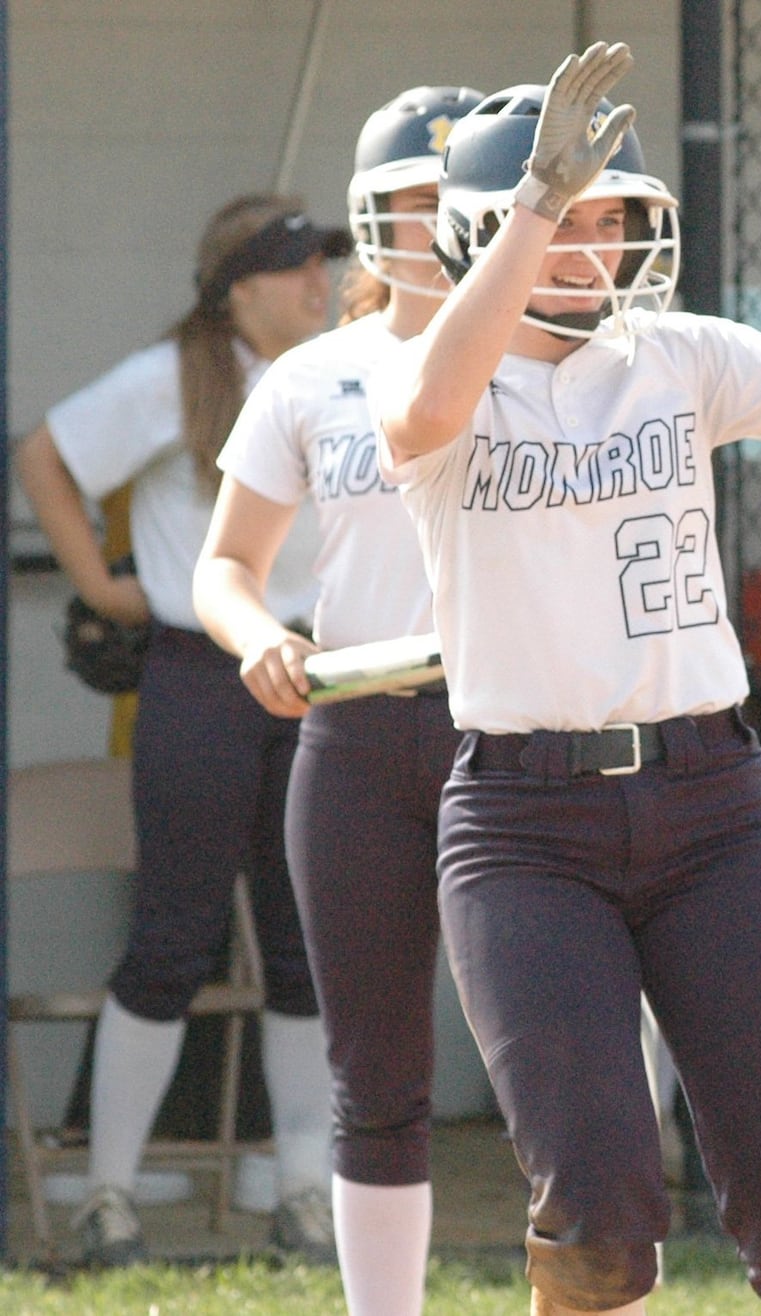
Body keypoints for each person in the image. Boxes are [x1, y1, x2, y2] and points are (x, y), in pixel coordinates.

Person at [370, 41, 761, 1316]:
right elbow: (422, 413)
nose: (596, 246)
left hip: (711, 802)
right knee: (597, 1211)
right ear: (487, 232)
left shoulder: (671, 355)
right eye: (575, 216)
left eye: (612, 219)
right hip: (524, 825)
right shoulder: (431, 373)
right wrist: (535, 211)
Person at [15, 193, 350, 1266]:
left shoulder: (339, 368)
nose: (321, 283)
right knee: (172, 933)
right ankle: (107, 1194)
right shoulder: (176, 374)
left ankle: (304, 1188)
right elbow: (46, 456)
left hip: (317, 672)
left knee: (304, 944)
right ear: (235, 286)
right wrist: (104, 589)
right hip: (201, 674)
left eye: (327, 264)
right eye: (297, 266)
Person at [191, 86, 483, 1316]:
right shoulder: (313, 376)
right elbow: (225, 565)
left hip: (508, 728)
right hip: (357, 729)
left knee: (555, 1056)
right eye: (404, 205)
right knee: (374, 1066)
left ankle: (589, 1282)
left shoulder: (556, 356)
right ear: (366, 222)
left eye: (449, 201)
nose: (427, 227)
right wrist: (261, 637)